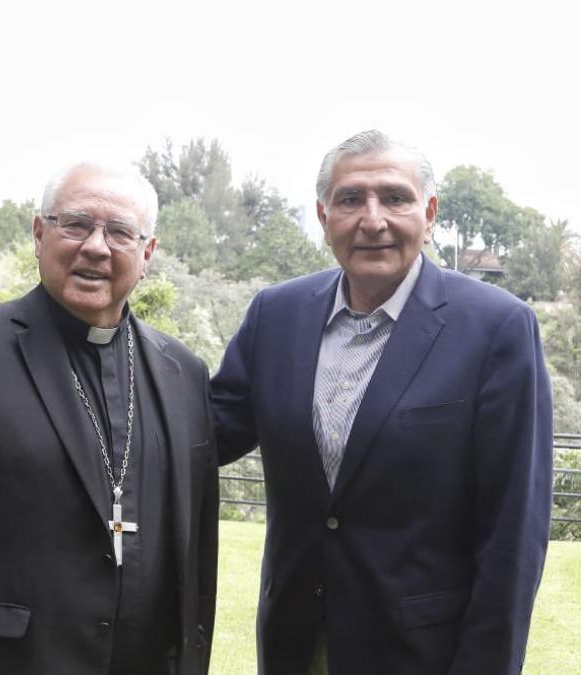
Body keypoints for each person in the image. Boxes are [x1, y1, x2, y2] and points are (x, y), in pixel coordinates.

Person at [211, 129, 552, 674]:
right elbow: (201, 434)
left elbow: (514, 533)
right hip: (294, 645)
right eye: (350, 199)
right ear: (324, 218)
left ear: (429, 211)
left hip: (420, 653)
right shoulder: (276, 316)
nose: (373, 220)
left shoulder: (495, 328)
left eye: (394, 197)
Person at [0, 162, 218, 675]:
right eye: (74, 224)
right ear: (38, 234)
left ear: (147, 254)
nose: (96, 246)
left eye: (119, 232)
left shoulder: (183, 372)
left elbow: (196, 556)